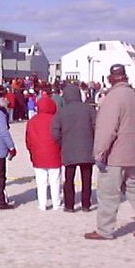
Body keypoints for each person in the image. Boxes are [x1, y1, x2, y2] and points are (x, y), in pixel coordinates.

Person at [85, 64, 135, 240]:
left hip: (115, 154)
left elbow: (106, 129)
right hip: (132, 153)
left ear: (112, 78)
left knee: (108, 193)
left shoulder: (113, 98)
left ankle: (105, 230)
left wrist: (99, 152)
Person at [52, 84, 96, 212]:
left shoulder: (62, 111)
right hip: (87, 149)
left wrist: (62, 143)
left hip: (69, 149)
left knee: (69, 179)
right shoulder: (89, 109)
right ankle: (86, 205)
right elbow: (96, 126)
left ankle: (69, 205)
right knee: (86, 179)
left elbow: (55, 131)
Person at [25, 97, 62, 211]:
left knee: (41, 182)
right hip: (54, 154)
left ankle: (42, 204)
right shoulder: (56, 120)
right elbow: (61, 137)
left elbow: (28, 139)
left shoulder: (32, 121)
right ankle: (56, 203)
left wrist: (31, 151)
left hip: (38, 155)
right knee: (55, 181)